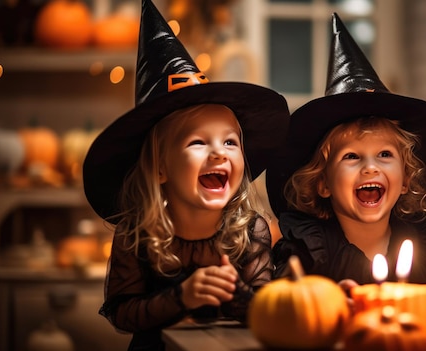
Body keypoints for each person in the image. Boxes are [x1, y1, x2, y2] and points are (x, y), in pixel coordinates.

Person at [82, 0, 290, 350]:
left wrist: (237, 295)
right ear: (160, 168)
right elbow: (122, 313)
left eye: (229, 141)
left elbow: (264, 311)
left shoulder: (249, 230)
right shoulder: (137, 235)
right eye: (197, 142)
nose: (218, 152)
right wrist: (182, 297)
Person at [266, 13, 426, 304]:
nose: (370, 167)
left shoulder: (417, 248)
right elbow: (282, 303)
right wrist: (328, 302)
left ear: (406, 179)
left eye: (384, 154)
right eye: (352, 156)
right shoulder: (309, 247)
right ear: (323, 183)